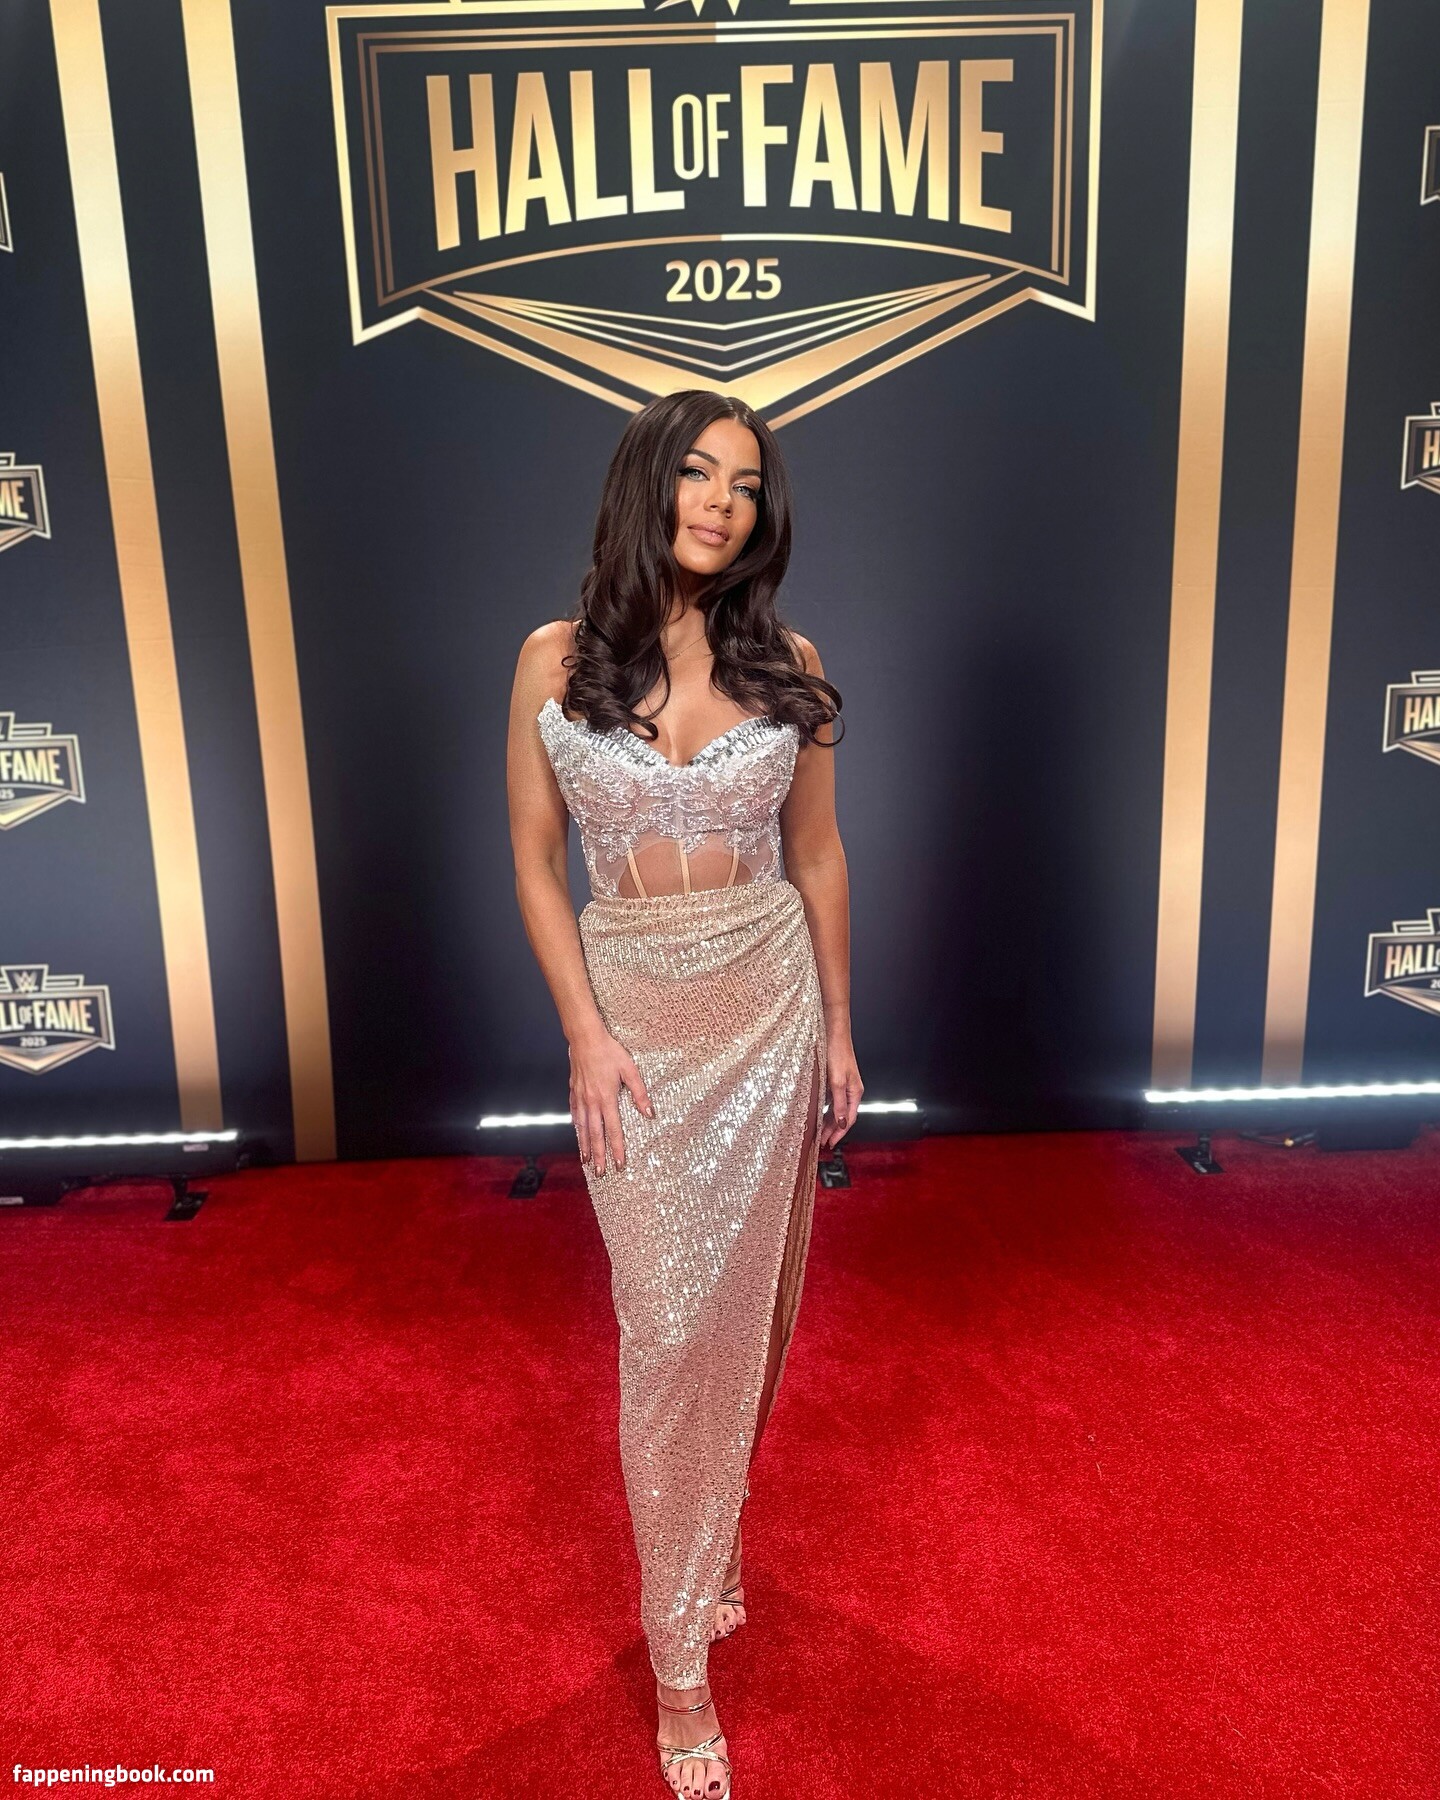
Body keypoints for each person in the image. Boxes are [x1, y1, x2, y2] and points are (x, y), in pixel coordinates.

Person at [506, 390, 861, 1799]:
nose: (721, 502)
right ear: (647, 483)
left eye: (747, 484)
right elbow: (535, 863)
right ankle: (677, 1665)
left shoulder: (789, 662)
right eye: (699, 473)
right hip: (637, 1025)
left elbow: (818, 856)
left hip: (768, 1010)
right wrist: (584, 1036)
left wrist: (840, 1030)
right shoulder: (552, 659)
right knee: (665, 1329)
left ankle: (703, 1564)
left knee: (743, 1320)